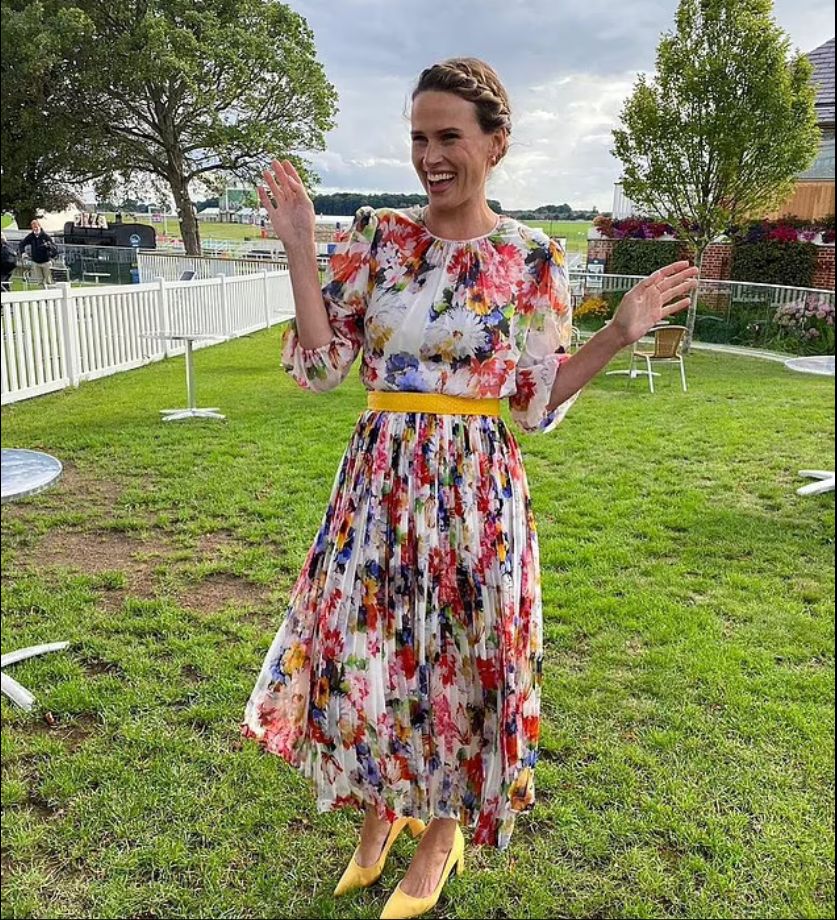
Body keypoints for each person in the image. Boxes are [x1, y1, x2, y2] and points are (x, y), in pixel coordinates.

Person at [243, 57, 697, 920]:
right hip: (379, 479)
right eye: (418, 137)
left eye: (448, 136)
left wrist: (616, 334)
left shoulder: (531, 258)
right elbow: (323, 365)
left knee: (461, 657)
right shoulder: (377, 236)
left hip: (475, 488)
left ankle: (440, 836)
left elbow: (533, 401)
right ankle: (381, 810)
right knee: (369, 650)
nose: (430, 156)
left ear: (495, 143)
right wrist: (300, 245)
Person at [18, 219, 58, 287]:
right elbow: (21, 244)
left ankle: (50, 292)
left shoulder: (45, 236)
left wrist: (49, 247)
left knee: (48, 281)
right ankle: (42, 292)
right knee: (40, 282)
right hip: (36, 262)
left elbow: (54, 247)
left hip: (46, 262)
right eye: (33, 228)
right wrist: (23, 253)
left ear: (39, 226)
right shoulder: (31, 236)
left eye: (36, 227)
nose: (35, 229)